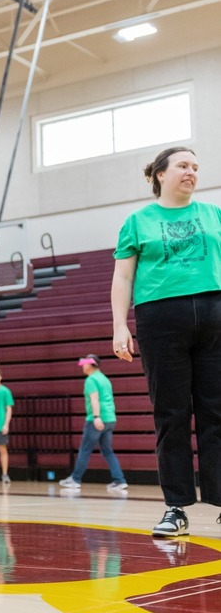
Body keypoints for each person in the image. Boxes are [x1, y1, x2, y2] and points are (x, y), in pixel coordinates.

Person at [112, 145, 221, 537]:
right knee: (171, 415)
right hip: (159, 318)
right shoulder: (138, 221)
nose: (191, 171)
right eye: (182, 165)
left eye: (195, 165)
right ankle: (176, 507)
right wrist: (119, 325)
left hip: (214, 313)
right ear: (160, 174)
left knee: (217, 412)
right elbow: (123, 277)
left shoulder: (214, 214)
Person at [60, 354, 128, 492]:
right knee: (107, 450)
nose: (83, 366)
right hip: (110, 418)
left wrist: (96, 417)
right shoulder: (104, 379)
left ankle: (75, 479)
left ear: (90, 364)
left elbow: (94, 399)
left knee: (85, 449)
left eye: (84, 363)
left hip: (97, 419)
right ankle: (119, 481)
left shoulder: (91, 380)